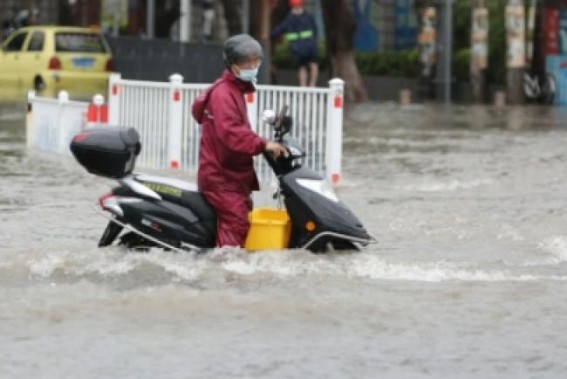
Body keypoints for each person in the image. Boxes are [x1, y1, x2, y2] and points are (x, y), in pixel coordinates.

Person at [191, 34, 287, 248]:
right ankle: (228, 274)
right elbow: (232, 132)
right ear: (233, 65)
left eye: (256, 61)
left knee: (242, 218)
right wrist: (264, 144)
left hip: (231, 176)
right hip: (221, 178)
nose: (253, 66)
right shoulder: (223, 94)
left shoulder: (233, 90)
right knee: (237, 224)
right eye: (247, 62)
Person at [271, 0, 319, 87]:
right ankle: (311, 85)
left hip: (298, 48)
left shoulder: (289, 19)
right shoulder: (308, 17)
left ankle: (305, 86)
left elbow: (277, 31)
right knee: (311, 64)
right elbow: (315, 31)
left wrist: (273, 36)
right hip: (308, 47)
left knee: (304, 66)